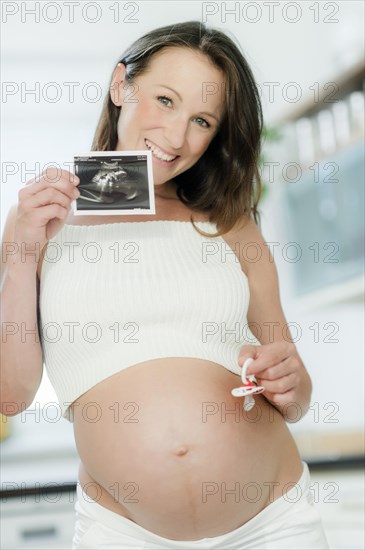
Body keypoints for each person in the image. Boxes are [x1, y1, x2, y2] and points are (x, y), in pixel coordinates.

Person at [0, 20, 329, 550]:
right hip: (122, 532)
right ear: (119, 86)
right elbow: (11, 396)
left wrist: (291, 381)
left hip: (275, 523)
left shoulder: (231, 224)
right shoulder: (38, 222)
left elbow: (295, 395)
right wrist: (21, 254)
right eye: (164, 100)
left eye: (201, 119)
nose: (177, 137)